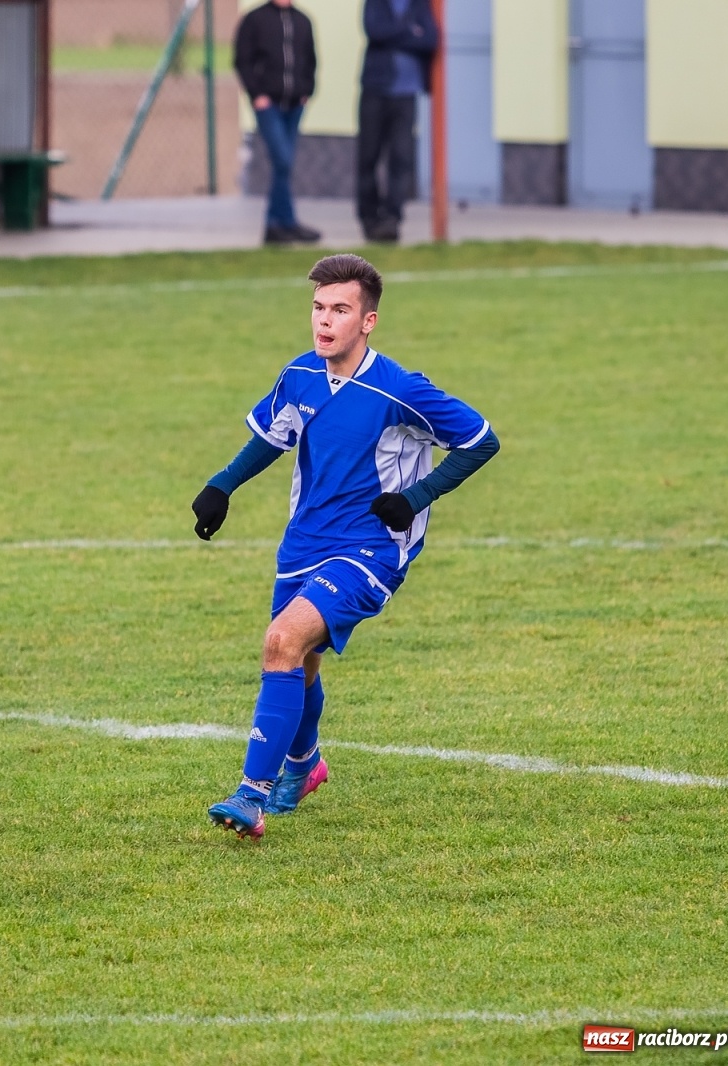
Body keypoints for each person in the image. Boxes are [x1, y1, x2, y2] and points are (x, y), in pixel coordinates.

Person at [191, 254, 498, 839]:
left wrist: (416, 496)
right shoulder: (300, 375)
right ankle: (306, 767)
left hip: (370, 550)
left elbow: (481, 440)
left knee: (281, 641)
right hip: (303, 542)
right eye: (317, 308)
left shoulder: (400, 389)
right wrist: (221, 487)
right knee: (300, 662)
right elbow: (272, 437)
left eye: (340, 309)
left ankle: (250, 795)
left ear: (368, 321)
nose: (324, 321)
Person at [234, 0, 321, 246]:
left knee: (285, 163)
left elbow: (310, 59)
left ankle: (278, 225)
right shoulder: (255, 19)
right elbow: (243, 60)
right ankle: (284, 222)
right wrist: (256, 94)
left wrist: (307, 91)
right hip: (268, 104)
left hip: (295, 104)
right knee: (282, 159)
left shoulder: (302, 20)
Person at [356, 0, 439, 243]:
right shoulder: (376, 3)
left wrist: (397, 31)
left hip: (406, 93)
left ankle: (392, 218)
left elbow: (430, 39)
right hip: (375, 89)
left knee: (401, 158)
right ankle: (369, 218)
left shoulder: (419, 4)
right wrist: (409, 30)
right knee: (368, 157)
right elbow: (375, 31)